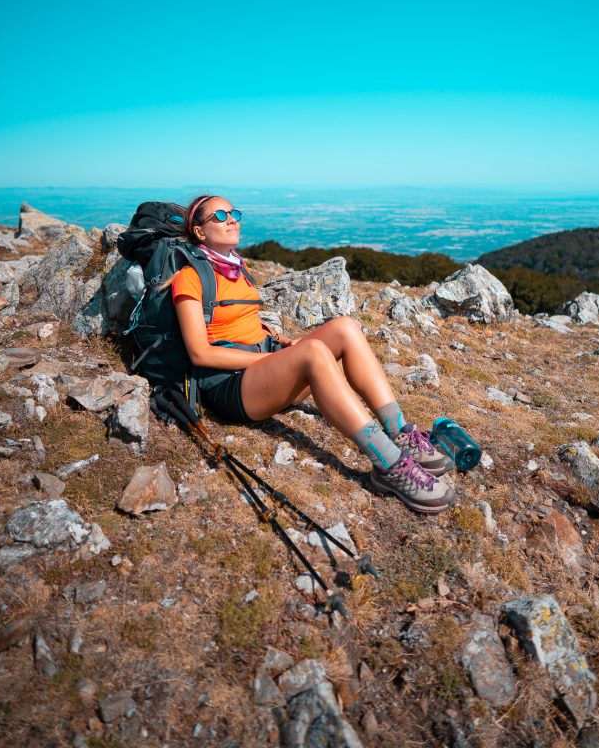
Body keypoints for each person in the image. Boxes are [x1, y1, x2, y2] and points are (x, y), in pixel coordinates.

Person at [171, 194, 456, 514]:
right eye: (220, 217)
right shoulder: (190, 277)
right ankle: (389, 466)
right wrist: (268, 360)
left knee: (345, 327)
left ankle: (400, 433)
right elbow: (199, 353)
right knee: (315, 352)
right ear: (198, 232)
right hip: (230, 387)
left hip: (263, 369)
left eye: (233, 213)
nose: (232, 219)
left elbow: (243, 322)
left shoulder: (238, 267)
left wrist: (279, 339)